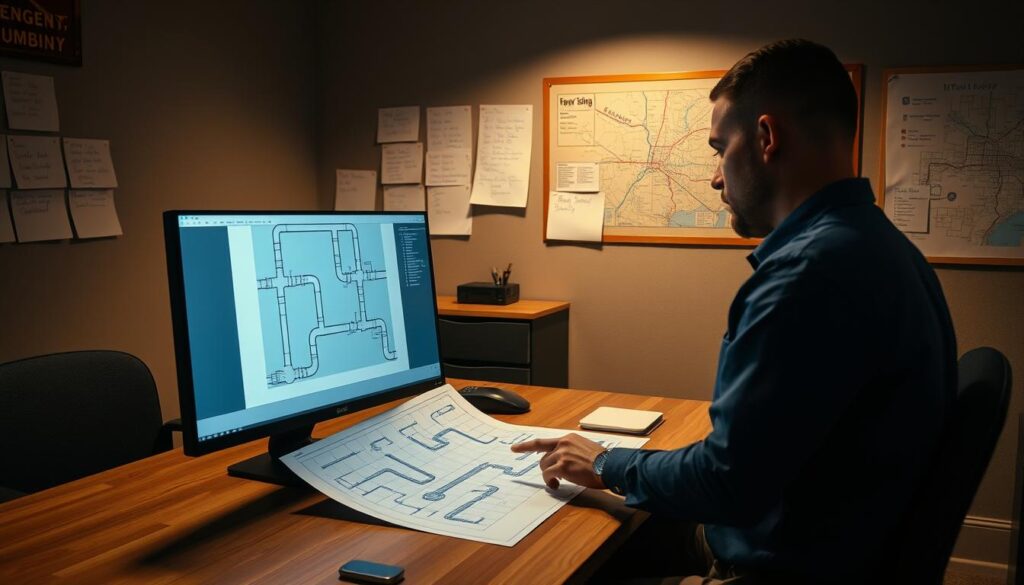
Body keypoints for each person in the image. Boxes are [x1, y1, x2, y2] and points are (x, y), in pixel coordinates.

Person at [511, 39, 957, 584]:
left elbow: (728, 483)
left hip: (776, 565)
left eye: (720, 149)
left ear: (766, 138)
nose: (717, 177)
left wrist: (606, 464)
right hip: (819, 539)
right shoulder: (881, 246)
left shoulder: (808, 278)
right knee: (608, 532)